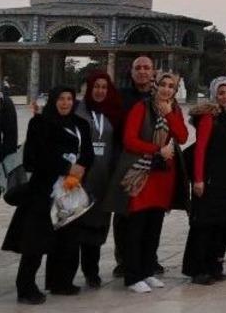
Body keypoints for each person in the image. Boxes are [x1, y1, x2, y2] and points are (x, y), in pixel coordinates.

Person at [3, 86, 94, 304]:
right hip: (43, 191)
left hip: (71, 190)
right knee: (35, 241)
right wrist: (66, 167)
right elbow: (34, 157)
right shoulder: (40, 123)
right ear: (53, 101)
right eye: (61, 99)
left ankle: (60, 282)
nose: (65, 103)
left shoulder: (80, 124)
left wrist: (80, 168)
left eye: (69, 99)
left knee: (68, 238)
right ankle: (25, 287)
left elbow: (88, 152)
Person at [112, 70, 188, 293]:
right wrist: (157, 150)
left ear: (175, 90)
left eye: (171, 86)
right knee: (137, 227)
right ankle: (132, 274)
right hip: (142, 173)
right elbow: (129, 139)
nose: (166, 89)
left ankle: (147, 270)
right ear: (156, 85)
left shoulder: (174, 109)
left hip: (163, 175)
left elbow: (182, 137)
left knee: (154, 227)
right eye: (163, 84)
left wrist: (170, 115)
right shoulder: (141, 108)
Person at [182, 77, 226, 285]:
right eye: (221, 93)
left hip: (225, 180)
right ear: (215, 95)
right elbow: (200, 150)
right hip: (207, 179)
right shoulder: (208, 117)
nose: (225, 97)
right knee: (203, 225)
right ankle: (197, 268)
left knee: (221, 224)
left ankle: (215, 265)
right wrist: (198, 179)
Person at [75, 71, 123, 289]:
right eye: (96, 86)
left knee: (96, 229)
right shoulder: (78, 111)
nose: (100, 91)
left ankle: (91, 272)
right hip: (78, 180)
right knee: (73, 228)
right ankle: (63, 274)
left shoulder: (113, 113)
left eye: (104, 87)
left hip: (103, 180)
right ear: (88, 88)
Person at [111, 55, 156, 279]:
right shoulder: (120, 97)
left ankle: (148, 258)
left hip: (152, 162)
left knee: (149, 213)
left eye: (146, 68)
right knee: (124, 213)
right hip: (126, 160)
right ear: (131, 72)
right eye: (138, 68)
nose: (142, 72)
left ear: (153, 72)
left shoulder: (159, 96)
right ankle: (123, 259)